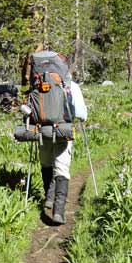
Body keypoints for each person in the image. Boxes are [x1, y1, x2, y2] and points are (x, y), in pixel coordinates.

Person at [40, 75, 87, 225]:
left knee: (46, 163)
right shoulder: (70, 85)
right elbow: (81, 114)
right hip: (63, 130)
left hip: (42, 130)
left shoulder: (40, 83)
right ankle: (58, 211)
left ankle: (49, 196)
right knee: (61, 167)